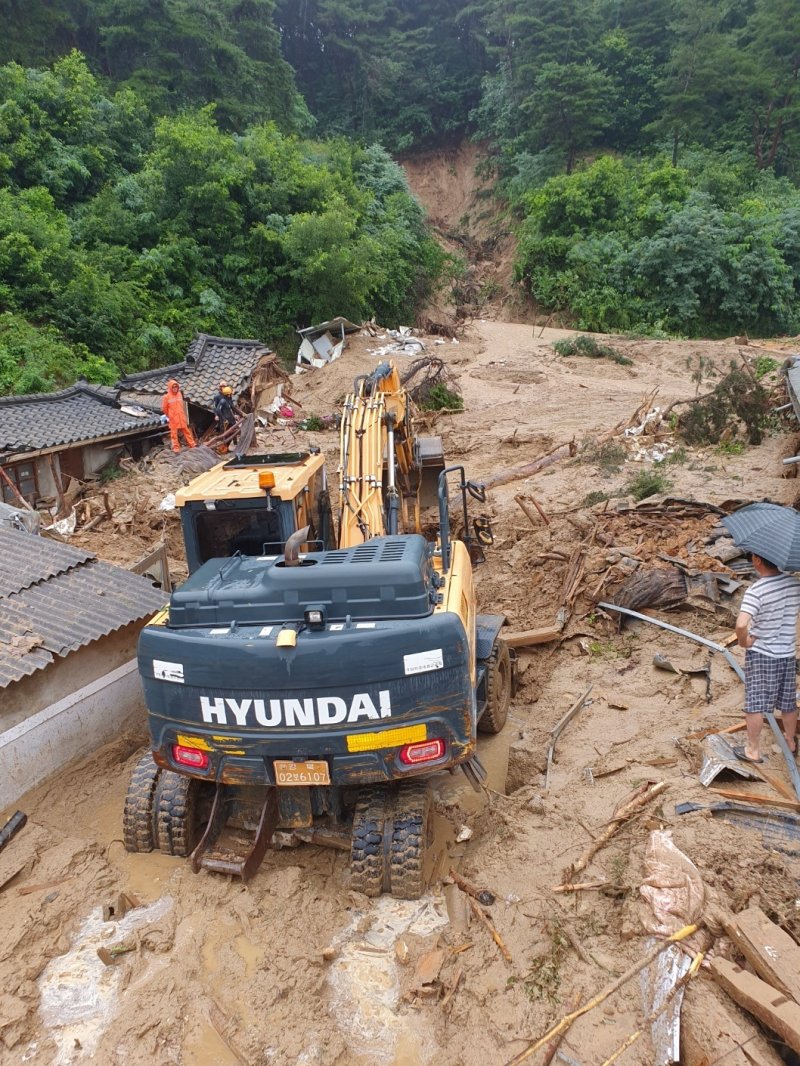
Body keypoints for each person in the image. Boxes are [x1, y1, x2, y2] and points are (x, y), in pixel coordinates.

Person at [734, 552, 800, 763]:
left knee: (755, 703)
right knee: (788, 702)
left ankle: (753, 750)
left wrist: (744, 642)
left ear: (757, 560)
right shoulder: (793, 584)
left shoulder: (756, 591)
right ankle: (790, 741)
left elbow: (742, 624)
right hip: (788, 653)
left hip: (763, 654)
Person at [161, 379, 196, 452]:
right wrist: (170, 415)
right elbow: (164, 409)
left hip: (181, 417)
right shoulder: (166, 397)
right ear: (170, 387)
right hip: (173, 418)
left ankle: (192, 444)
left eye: (176, 387)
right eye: (173, 387)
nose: (175, 388)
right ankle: (176, 447)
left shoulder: (179, 394)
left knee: (186, 431)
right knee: (174, 433)